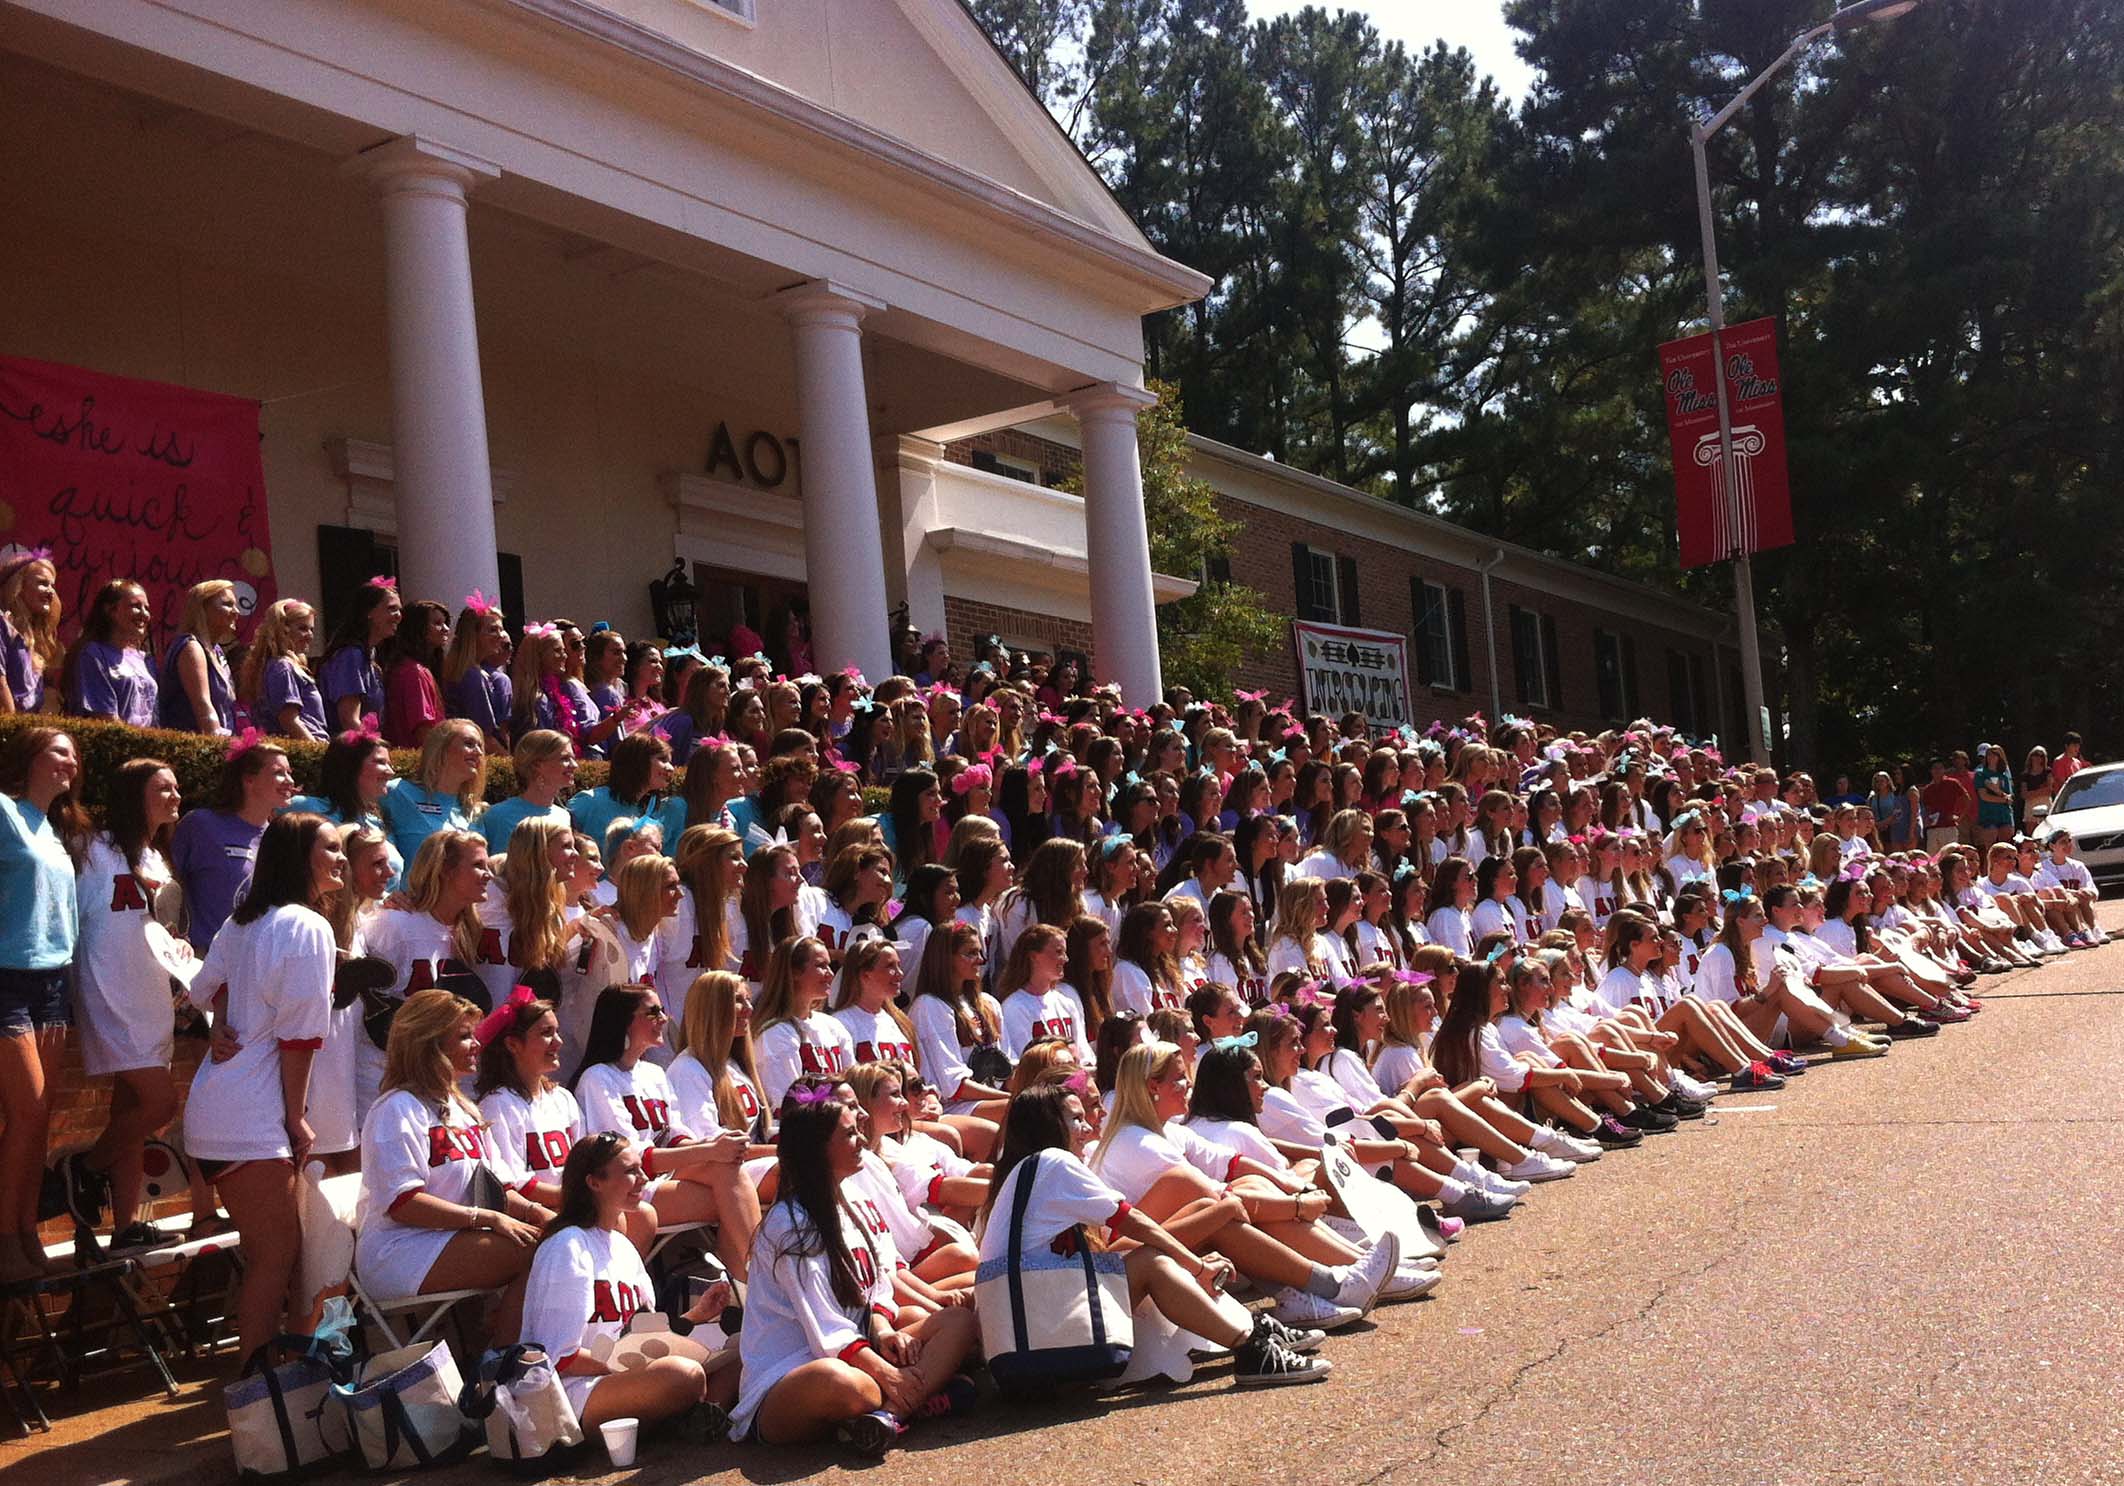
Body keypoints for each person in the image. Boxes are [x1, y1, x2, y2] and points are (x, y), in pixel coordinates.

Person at [981, 1079, 1329, 1387]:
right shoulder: (1055, 1162)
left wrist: (1192, 1264)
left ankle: (1250, 1328)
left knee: (1158, 1251)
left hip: (1021, 1346)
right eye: (1076, 1119)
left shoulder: (1020, 1174)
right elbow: (1134, 1224)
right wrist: (1195, 1266)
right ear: (1048, 1126)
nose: (1087, 1129)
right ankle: (1250, 1347)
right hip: (1044, 1337)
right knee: (1153, 1262)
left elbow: (1103, 1254)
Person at [730, 1083, 979, 1454]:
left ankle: (889, 1416)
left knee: (958, 1321)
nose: (862, 1138)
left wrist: (883, 1330)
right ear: (818, 1150)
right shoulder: (789, 1224)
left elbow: (879, 1285)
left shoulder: (856, 1197)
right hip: (791, 1379)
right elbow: (825, 1330)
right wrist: (887, 1372)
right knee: (843, 1384)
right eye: (849, 1133)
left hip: (860, 1350)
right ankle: (918, 1396)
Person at [177, 810, 342, 1355]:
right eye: (331, 849)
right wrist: (295, 1116)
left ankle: (281, 1375)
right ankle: (259, 1389)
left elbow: (202, 989)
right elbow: (300, 1036)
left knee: (279, 1254)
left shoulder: (241, 920)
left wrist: (223, 1013)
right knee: (276, 1255)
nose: (340, 859)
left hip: (219, 1105)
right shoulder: (307, 926)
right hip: (250, 1116)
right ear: (301, 859)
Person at [518, 1132, 734, 1440]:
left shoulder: (621, 1244)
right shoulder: (567, 1246)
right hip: (574, 1391)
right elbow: (559, 1356)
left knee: (738, 1351)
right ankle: (686, 1417)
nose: (644, 1178)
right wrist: (634, 1367)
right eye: (631, 1171)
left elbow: (641, 1335)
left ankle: (695, 1418)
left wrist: (696, 1317)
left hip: (622, 1375)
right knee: (683, 1375)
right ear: (594, 1182)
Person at [354, 988, 544, 1334]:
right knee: (537, 1253)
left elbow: (497, 1187)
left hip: (455, 1236)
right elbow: (403, 1203)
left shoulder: (465, 1109)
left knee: (558, 1239)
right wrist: (486, 1219)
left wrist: (537, 1213)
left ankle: (499, 1346)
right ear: (430, 1044)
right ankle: (506, 1361)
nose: (477, 1044)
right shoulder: (396, 1108)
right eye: (464, 1036)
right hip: (399, 1249)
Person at [59, 758, 189, 1250]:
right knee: (160, 1101)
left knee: (131, 1109)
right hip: (109, 989)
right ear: (135, 792)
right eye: (165, 787)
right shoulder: (91, 848)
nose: (176, 796)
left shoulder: (157, 858)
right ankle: (84, 1168)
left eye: (177, 788)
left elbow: (159, 929)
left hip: (151, 993)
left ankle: (125, 1227)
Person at [0, 728, 86, 1280]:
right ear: (29, 756)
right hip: (5, 977)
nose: (71, 764)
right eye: (60, 752)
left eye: (75, 758)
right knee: (27, 1111)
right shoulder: (3, 811)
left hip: (53, 982)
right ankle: (4, 1236)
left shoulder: (54, 829)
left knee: (41, 1119)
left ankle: (26, 1227)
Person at [171, 737, 296, 953]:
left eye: (289, 772)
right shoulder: (200, 825)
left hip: (257, 965)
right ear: (248, 779)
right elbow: (169, 886)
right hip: (202, 960)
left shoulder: (281, 836)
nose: (289, 781)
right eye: (279, 773)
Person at [380, 719, 486, 868]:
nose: (479, 752)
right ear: (441, 749)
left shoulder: (476, 811)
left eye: (480, 746)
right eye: (469, 744)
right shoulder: (398, 792)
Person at [64, 579, 159, 726]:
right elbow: (104, 719)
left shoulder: (145, 659)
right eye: (135, 606)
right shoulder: (93, 654)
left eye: (146, 608)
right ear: (110, 610)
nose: (144, 614)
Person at [157, 579, 241, 735]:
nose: (236, 612)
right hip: (192, 747)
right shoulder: (191, 647)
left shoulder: (217, 651)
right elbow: (203, 707)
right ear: (202, 609)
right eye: (227, 604)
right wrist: (222, 742)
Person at [240, 599, 330, 741]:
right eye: (302, 628)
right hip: (302, 749)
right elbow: (289, 720)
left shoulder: (278, 666)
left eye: (311, 629)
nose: (310, 636)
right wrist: (315, 753)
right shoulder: (283, 667)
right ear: (282, 630)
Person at [320, 578, 402, 731]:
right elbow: (349, 720)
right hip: (351, 751)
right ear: (369, 612)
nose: (398, 616)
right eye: (391, 609)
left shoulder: (370, 654)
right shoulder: (351, 656)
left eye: (399, 610)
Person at [382, 599, 451, 749]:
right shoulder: (414, 672)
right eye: (437, 623)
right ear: (418, 628)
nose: (446, 629)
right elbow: (423, 730)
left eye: (445, 623)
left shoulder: (408, 668)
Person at [0, 548, 62, 714]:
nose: (51, 592)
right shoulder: (2, 624)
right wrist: (11, 728)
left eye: (52, 585)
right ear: (18, 586)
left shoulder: (31, 638)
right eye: (43, 583)